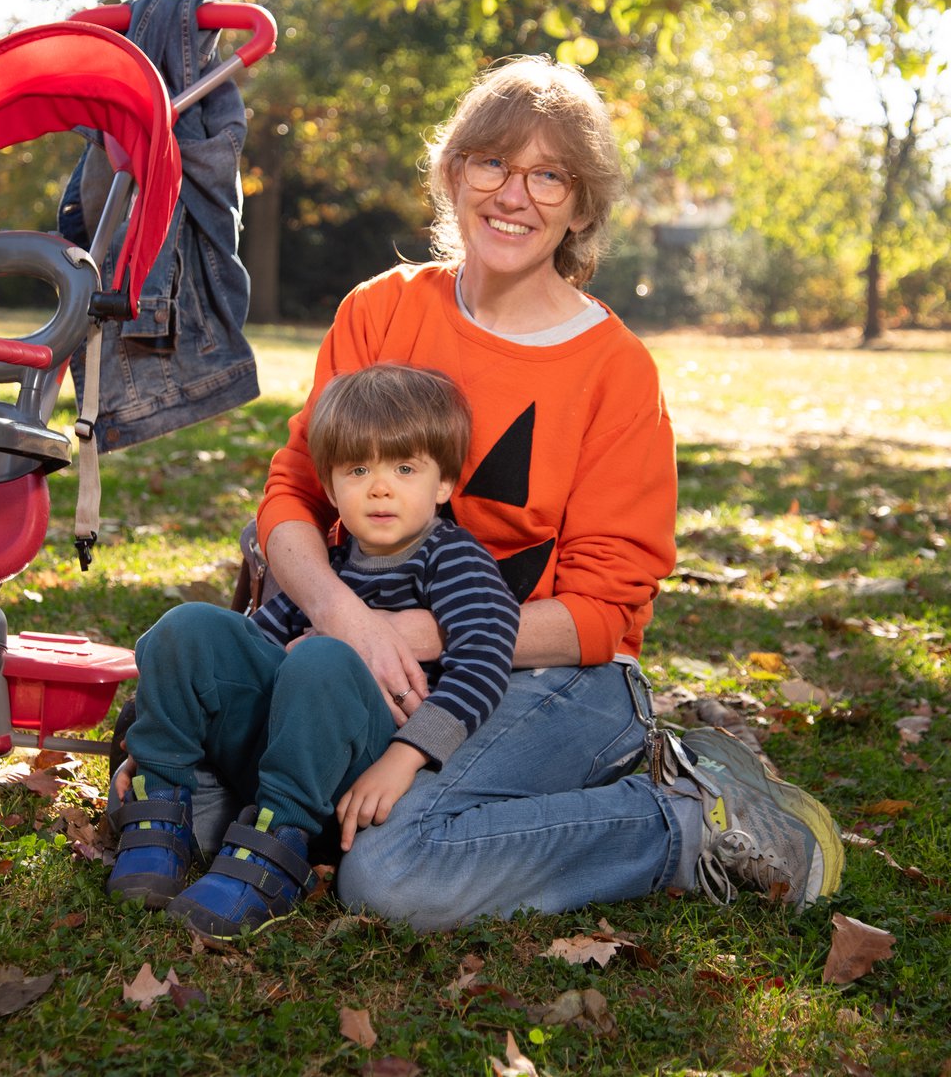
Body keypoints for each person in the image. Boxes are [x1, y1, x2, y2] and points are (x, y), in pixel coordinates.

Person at [256, 53, 845, 929]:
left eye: (549, 176)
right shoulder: (380, 313)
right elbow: (292, 495)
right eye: (493, 162)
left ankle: (684, 820)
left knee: (389, 872)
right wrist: (345, 621)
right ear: (455, 173)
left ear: (580, 206)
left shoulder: (614, 371)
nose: (514, 195)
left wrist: (406, 636)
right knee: (234, 816)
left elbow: (607, 610)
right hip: (361, 650)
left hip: (558, 678)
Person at [106, 363, 520, 942]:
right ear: (328, 487)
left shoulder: (455, 560)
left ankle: (276, 850)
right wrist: (163, 733)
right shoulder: (328, 563)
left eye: (404, 468)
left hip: (351, 774)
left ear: (445, 483)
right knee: (191, 626)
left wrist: (404, 760)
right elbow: (252, 651)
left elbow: (483, 664)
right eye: (358, 469)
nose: (380, 487)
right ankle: (162, 795)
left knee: (322, 658)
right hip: (275, 746)